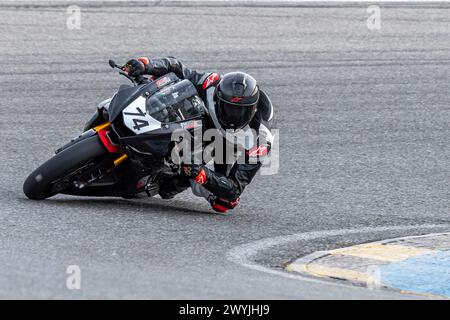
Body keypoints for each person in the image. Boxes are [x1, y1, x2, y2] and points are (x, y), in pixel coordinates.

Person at [124, 57, 275, 213]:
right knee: (172, 89)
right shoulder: (212, 83)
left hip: (232, 145)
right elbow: (177, 68)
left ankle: (177, 180)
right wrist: (146, 64)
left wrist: (201, 173)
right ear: (218, 98)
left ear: (253, 110)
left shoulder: (261, 139)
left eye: (240, 111)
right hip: (208, 119)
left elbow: (234, 188)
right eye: (228, 108)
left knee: (224, 202)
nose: (233, 116)